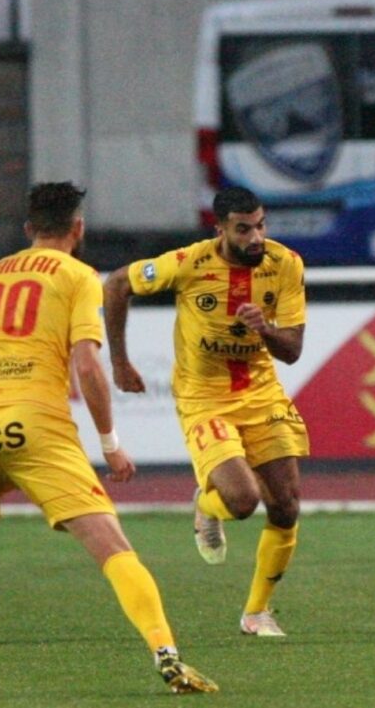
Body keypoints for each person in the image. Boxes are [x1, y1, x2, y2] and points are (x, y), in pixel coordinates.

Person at [0, 182, 217, 694]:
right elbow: (86, 363)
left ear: (28, 230)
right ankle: (167, 656)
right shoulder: (78, 276)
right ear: (79, 229)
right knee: (113, 549)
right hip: (35, 426)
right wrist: (110, 441)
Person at [103, 186, 307, 638]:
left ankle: (256, 614)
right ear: (220, 230)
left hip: (261, 395)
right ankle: (206, 504)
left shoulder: (285, 264)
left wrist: (265, 329)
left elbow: (292, 351)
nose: (256, 237)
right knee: (242, 499)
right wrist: (119, 360)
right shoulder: (189, 263)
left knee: (286, 507)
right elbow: (116, 283)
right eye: (243, 229)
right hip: (204, 398)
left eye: (260, 225)